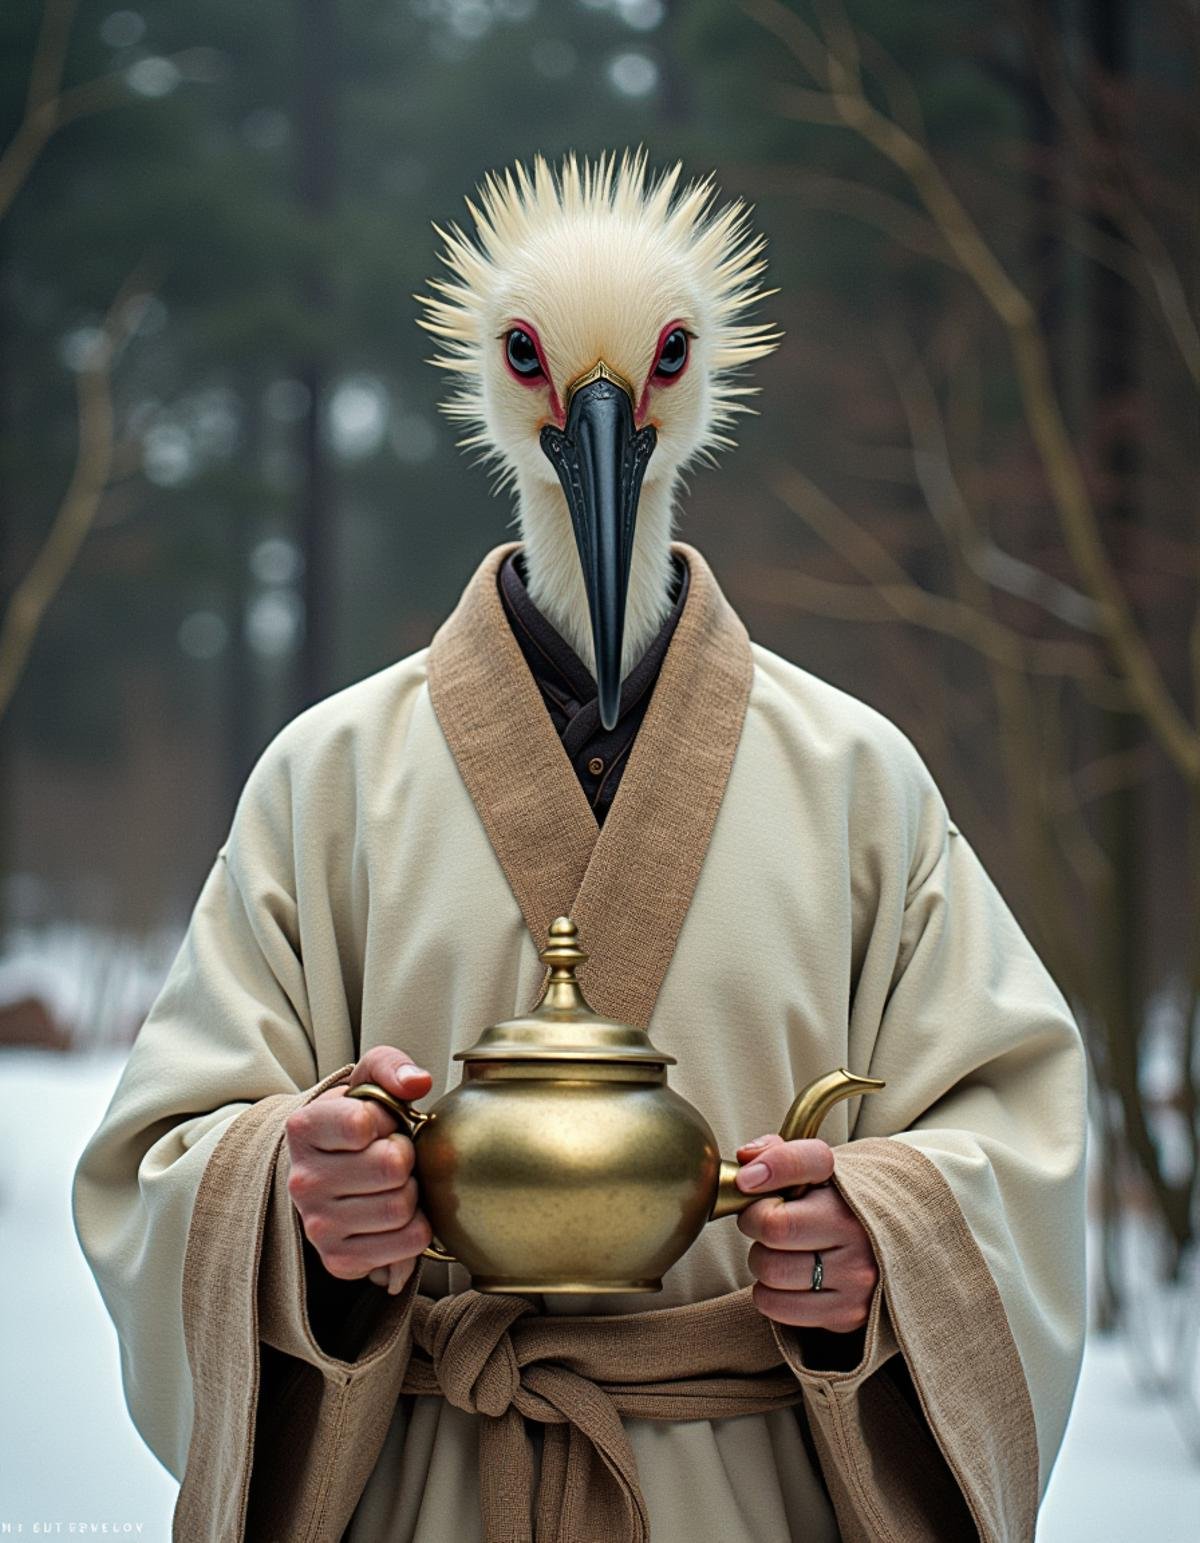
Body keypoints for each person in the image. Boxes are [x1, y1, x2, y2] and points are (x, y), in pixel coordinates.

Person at [73, 151, 1087, 1543]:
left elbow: (1016, 1131)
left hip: (760, 1489)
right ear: (495, 379)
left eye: (658, 364)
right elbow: (163, 1158)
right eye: (542, 366)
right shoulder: (327, 782)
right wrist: (299, 1219)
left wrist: (887, 1240)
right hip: (425, 1478)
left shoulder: (862, 783)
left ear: (702, 376)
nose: (596, 422)